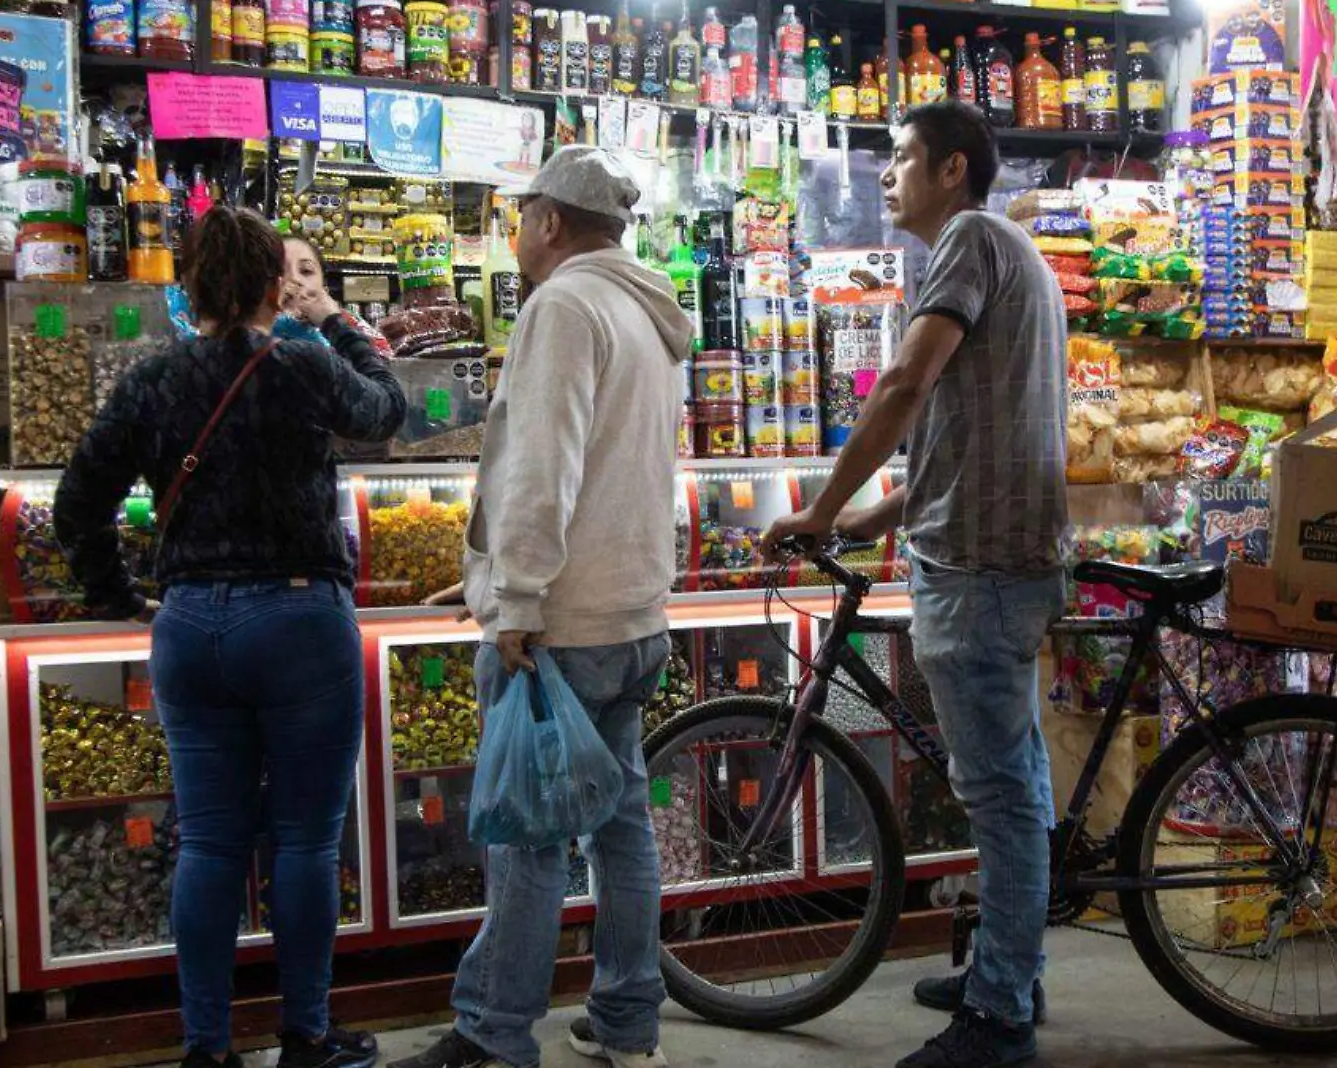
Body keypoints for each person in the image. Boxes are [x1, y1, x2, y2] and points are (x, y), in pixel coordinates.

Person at [54, 205, 408, 1068]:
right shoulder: (301, 367)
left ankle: (206, 1048)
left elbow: (78, 501)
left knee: (209, 842)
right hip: (297, 621)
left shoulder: (150, 381)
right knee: (305, 840)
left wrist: (118, 595)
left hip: (189, 627)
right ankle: (307, 1036)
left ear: (187, 287)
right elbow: (389, 410)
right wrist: (332, 318)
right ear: (267, 287)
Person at [761, 100, 1069, 1068]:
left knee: (1000, 794)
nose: (886, 175)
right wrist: (873, 516)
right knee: (1011, 782)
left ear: (952, 171)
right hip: (992, 552)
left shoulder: (971, 238)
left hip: (980, 568)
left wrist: (819, 505)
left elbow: (905, 384)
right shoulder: (1002, 250)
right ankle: (1008, 967)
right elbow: (969, 427)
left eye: (901, 159)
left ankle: (998, 1017)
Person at [391, 146, 693, 1068]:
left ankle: (493, 1034)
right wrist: (490, 574)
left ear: (551, 222)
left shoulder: (564, 303)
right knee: (621, 828)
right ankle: (628, 1023)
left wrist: (515, 596)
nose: (516, 233)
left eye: (521, 216)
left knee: (528, 839)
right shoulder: (648, 313)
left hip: (564, 626)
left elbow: (543, 469)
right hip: (634, 614)